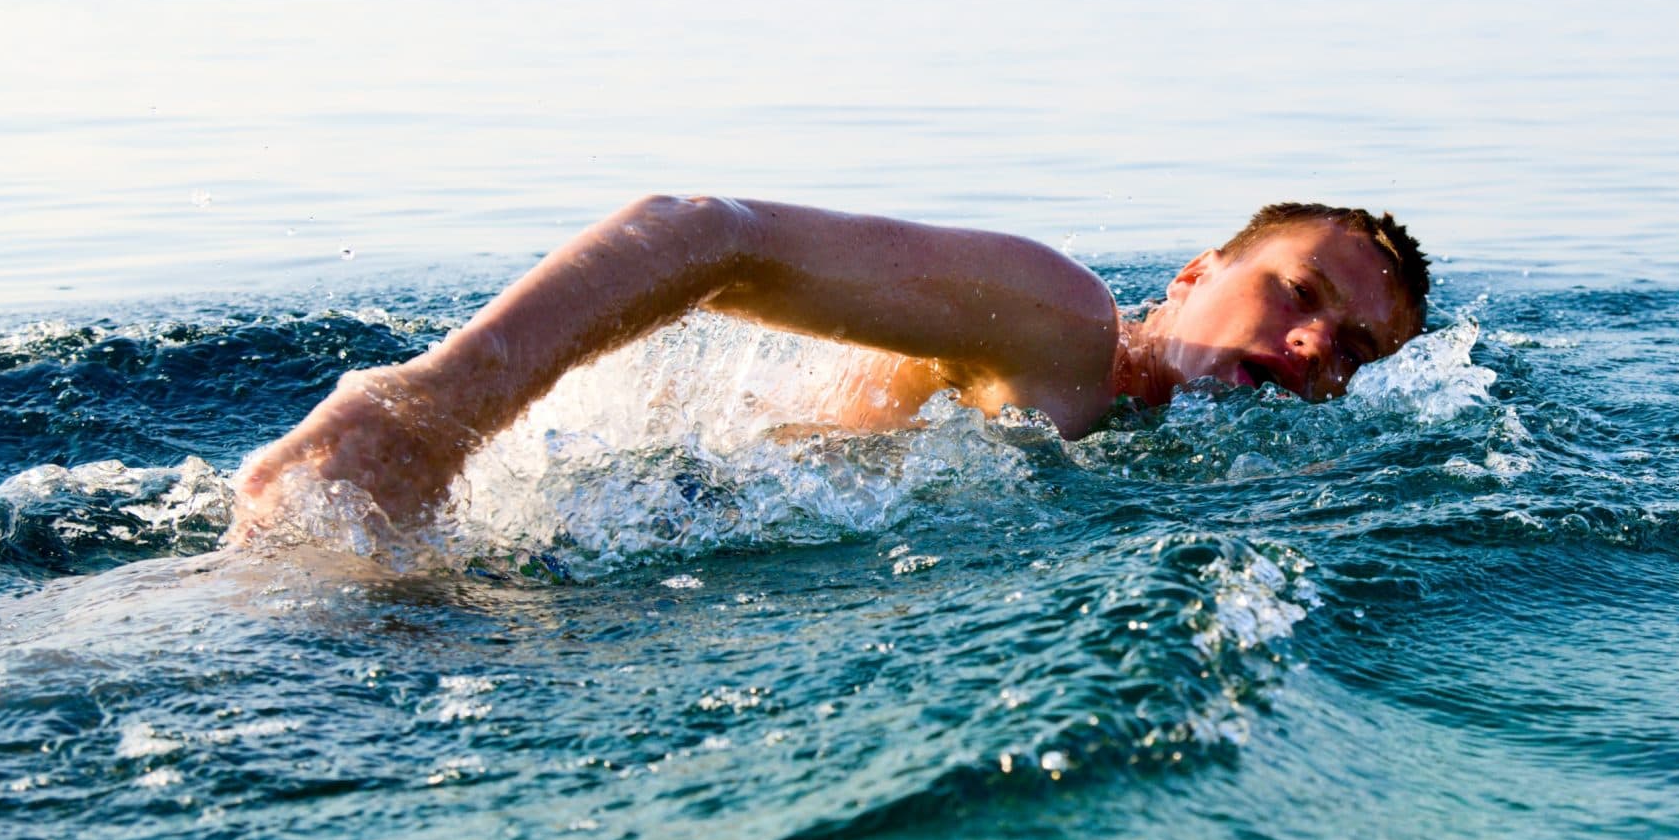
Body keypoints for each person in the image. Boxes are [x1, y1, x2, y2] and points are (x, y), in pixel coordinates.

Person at [228, 196, 1430, 537]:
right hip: (614, 519)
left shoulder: (1224, 475)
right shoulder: (1057, 325)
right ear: (1188, 276)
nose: (1319, 340)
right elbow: (708, 233)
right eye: (1298, 290)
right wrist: (427, 414)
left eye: (1357, 347)